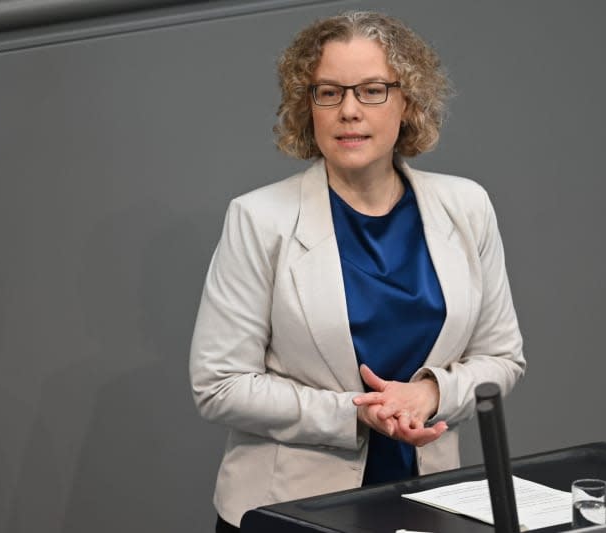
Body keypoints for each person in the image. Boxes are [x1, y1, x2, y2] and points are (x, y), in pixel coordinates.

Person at [189, 11, 526, 532]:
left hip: (429, 503)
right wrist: (355, 412)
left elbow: (501, 358)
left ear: (408, 103)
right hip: (290, 514)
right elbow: (220, 385)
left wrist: (430, 394)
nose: (349, 110)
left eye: (372, 90)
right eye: (329, 92)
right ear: (309, 107)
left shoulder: (467, 206)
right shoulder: (259, 219)